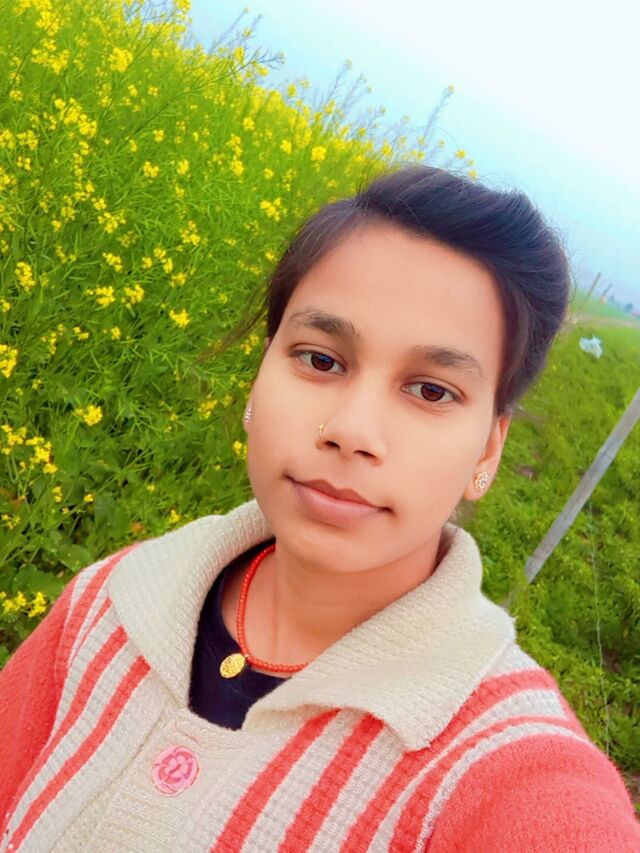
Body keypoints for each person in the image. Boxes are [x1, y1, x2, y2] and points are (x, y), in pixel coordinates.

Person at [1, 165, 638, 852]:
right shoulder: (112, 602)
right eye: (321, 360)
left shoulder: (509, 777)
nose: (351, 430)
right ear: (259, 376)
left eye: (431, 391)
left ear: (488, 449)